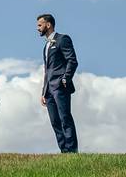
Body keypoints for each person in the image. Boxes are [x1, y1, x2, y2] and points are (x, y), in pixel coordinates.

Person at [37, 13, 78, 153]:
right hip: (49, 91)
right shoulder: (46, 47)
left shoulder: (62, 39)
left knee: (65, 118)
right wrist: (43, 92)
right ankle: (64, 151)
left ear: (48, 25)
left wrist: (65, 78)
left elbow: (72, 60)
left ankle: (72, 151)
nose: (38, 28)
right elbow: (47, 70)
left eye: (39, 25)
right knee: (55, 122)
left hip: (61, 87)